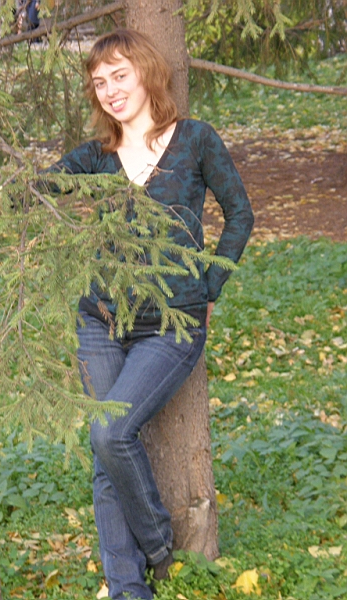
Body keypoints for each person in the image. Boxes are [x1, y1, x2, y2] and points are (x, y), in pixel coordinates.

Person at [47, 29, 254, 600]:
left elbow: (240, 214)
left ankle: (159, 545)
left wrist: (210, 286)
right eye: (99, 83)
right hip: (100, 319)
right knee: (105, 454)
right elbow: (44, 186)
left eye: (120, 76)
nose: (110, 90)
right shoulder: (96, 156)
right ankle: (128, 589)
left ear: (146, 72)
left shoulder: (195, 140)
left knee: (112, 432)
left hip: (172, 326)